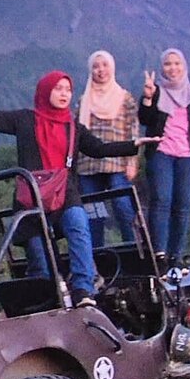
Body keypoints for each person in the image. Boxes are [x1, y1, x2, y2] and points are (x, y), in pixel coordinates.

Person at [0, 65, 155, 308]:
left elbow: (99, 149)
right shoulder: (26, 120)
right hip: (32, 198)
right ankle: (49, 304)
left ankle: (83, 289)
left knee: (79, 226)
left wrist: (133, 144)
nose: (64, 94)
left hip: (65, 194)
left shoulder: (73, 127)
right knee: (40, 262)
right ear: (46, 91)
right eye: (58, 89)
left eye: (68, 89)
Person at [138, 48, 190, 264]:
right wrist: (147, 98)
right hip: (161, 153)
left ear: (184, 67)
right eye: (167, 64)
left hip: (186, 156)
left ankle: (176, 254)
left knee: (182, 205)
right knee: (161, 200)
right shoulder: (155, 91)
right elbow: (144, 119)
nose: (172, 68)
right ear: (162, 68)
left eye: (177, 64)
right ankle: (159, 252)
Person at [76, 50, 139, 248]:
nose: (100, 70)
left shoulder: (125, 98)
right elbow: (75, 133)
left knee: (123, 207)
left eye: (104, 65)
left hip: (117, 163)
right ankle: (97, 258)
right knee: (94, 214)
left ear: (112, 67)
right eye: (95, 66)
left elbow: (133, 131)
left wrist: (132, 162)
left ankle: (134, 251)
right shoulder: (83, 100)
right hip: (88, 165)